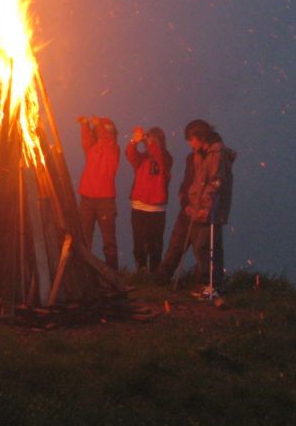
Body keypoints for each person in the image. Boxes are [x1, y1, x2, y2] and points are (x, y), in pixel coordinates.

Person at [160, 119, 237, 293]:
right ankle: (209, 284)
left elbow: (215, 183)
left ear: (200, 136)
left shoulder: (217, 154)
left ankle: (210, 285)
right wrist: (188, 203)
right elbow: (194, 182)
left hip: (210, 210)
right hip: (196, 207)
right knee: (201, 246)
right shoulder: (198, 154)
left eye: (191, 139)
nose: (189, 143)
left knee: (205, 247)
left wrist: (205, 208)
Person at [76, 115, 122, 270]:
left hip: (105, 201)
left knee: (109, 242)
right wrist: (84, 125)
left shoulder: (113, 148)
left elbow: (106, 140)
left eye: (108, 129)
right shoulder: (92, 148)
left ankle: (113, 274)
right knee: (84, 238)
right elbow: (87, 140)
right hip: (87, 198)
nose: (104, 132)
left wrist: (97, 125)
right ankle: (85, 273)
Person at [125, 126, 172, 274]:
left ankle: (155, 273)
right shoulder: (142, 158)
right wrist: (134, 141)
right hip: (139, 206)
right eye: (149, 139)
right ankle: (141, 271)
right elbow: (130, 155)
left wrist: (149, 141)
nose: (150, 142)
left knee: (155, 243)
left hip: (157, 209)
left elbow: (158, 156)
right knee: (139, 242)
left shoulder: (166, 158)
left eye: (153, 139)